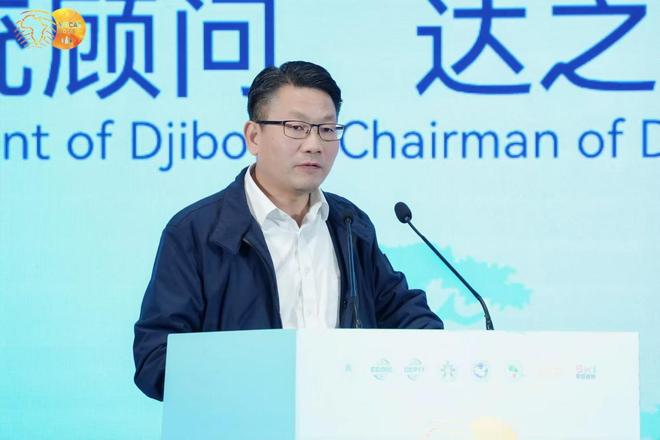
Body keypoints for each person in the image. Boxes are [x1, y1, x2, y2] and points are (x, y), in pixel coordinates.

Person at [133, 61, 443, 401]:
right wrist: (248, 380)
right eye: (296, 127)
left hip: (344, 419)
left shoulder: (349, 224)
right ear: (254, 136)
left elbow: (404, 315)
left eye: (327, 129)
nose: (314, 144)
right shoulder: (197, 233)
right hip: (242, 420)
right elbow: (155, 359)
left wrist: (444, 359)